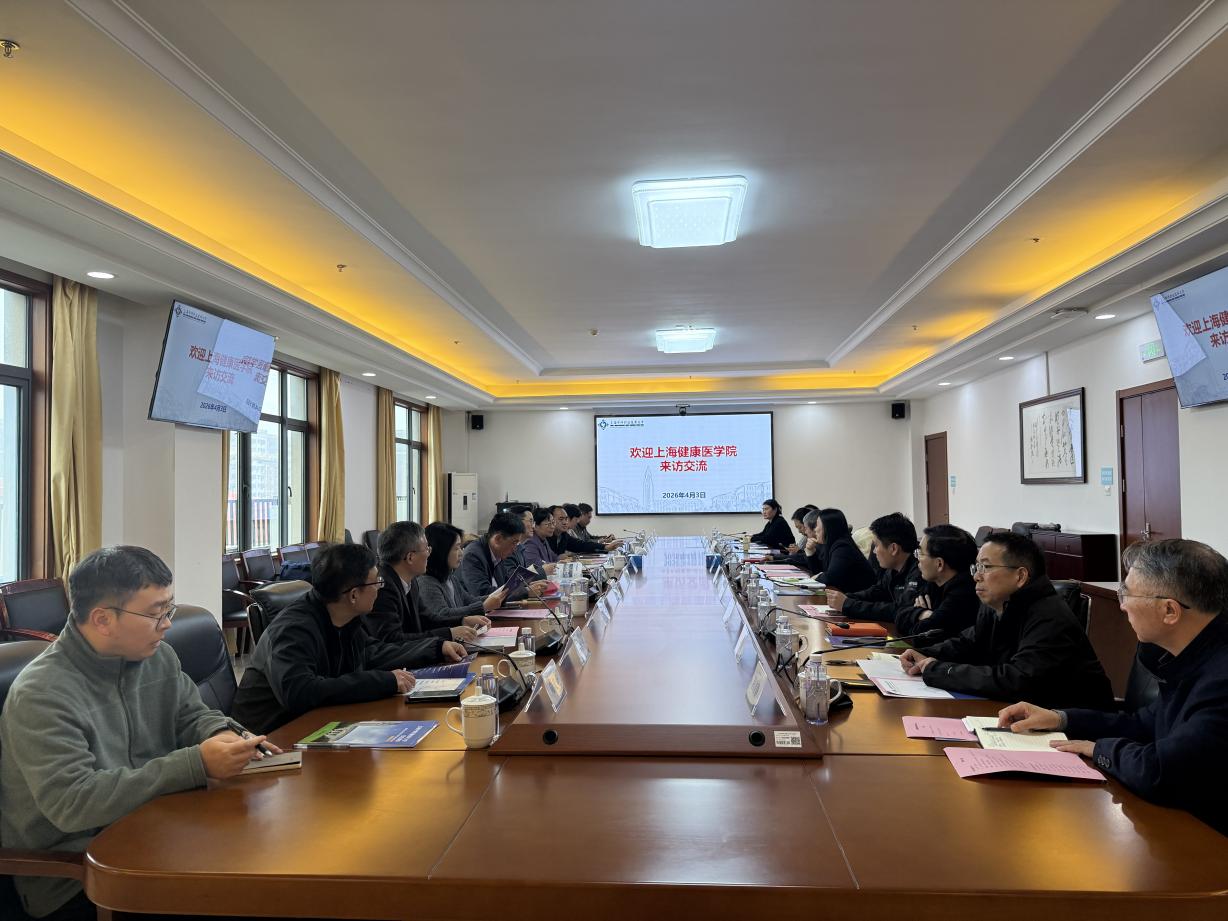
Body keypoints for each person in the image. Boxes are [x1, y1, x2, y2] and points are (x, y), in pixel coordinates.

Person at [0, 547, 275, 921]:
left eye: (169, 610)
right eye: (155, 614)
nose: (167, 625)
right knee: (247, 896)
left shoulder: (157, 657)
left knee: (270, 859)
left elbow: (191, 715)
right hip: (80, 874)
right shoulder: (42, 694)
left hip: (159, 831)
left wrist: (223, 732)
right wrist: (195, 764)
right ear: (102, 620)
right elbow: (73, 803)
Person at [998, 539, 1228, 836]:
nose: (1122, 605)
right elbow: (1143, 724)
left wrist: (1099, 749)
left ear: (1169, 611)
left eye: (1127, 593)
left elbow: (1161, 771)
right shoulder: (1192, 655)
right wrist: (1060, 719)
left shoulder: (1220, 679)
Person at [232, 543, 464, 734]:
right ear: (353, 595)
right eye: (376, 582)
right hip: (272, 740)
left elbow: (373, 653)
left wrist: (435, 647)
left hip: (321, 724)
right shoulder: (293, 630)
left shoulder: (346, 617)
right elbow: (301, 692)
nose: (380, 588)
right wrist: (383, 681)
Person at [899, 531, 1113, 708]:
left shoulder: (1050, 617)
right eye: (976, 567)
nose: (976, 576)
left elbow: (1017, 680)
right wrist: (925, 654)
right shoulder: (996, 604)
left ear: (1020, 576)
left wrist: (940, 670)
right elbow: (968, 642)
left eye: (986, 567)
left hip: (1073, 726)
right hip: (1018, 711)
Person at [368, 521, 488, 644]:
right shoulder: (382, 587)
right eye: (426, 549)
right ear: (410, 557)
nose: (429, 554)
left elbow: (427, 619)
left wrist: (462, 621)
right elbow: (393, 640)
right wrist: (449, 634)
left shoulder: (410, 581)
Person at [826, 513, 921, 621]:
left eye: (876, 545)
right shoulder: (892, 571)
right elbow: (875, 593)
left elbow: (899, 610)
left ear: (893, 549)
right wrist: (845, 598)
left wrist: (848, 605)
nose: (874, 552)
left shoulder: (918, 574)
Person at [895, 523, 980, 637]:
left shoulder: (963, 593)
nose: (917, 559)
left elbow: (919, 636)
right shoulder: (933, 583)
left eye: (921, 554)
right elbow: (899, 616)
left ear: (939, 564)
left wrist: (916, 615)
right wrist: (923, 613)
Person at [416, 522, 506, 629]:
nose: (461, 553)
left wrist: (497, 596)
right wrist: (483, 606)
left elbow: (468, 600)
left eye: (460, 547)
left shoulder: (451, 578)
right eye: (456, 548)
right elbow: (442, 614)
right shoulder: (426, 582)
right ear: (442, 551)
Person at [457, 511, 547, 602]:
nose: (515, 549)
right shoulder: (473, 555)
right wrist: (525, 592)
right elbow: (483, 593)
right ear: (498, 539)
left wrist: (528, 585)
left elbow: (506, 585)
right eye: (514, 542)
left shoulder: (498, 552)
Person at [814, 507, 875, 592]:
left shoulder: (842, 547)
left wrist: (817, 577)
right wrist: (810, 553)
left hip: (859, 597)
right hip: (848, 595)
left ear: (828, 527)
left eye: (817, 525)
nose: (815, 529)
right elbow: (821, 570)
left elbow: (831, 577)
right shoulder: (832, 545)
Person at [548, 505, 619, 555]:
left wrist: (605, 547)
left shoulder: (563, 535)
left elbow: (581, 545)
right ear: (550, 519)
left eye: (566, 519)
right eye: (561, 519)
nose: (565, 522)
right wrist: (556, 558)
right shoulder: (546, 537)